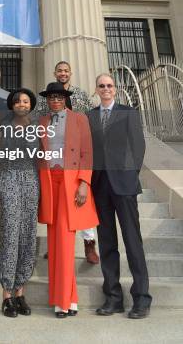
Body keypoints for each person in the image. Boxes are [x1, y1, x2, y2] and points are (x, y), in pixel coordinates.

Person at [87, 74, 152, 319]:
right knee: (107, 243)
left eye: (110, 86)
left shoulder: (128, 113)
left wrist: (129, 174)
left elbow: (138, 147)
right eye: (102, 85)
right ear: (96, 89)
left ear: (116, 89)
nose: (106, 89)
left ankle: (141, 298)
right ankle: (113, 297)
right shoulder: (90, 116)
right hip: (100, 187)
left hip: (124, 186)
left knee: (133, 242)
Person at [38, 82, 98, 318]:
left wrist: (84, 182)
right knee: (54, 241)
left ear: (65, 99)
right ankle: (66, 298)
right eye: (51, 97)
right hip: (48, 182)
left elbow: (86, 152)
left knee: (63, 240)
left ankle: (63, 301)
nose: (55, 100)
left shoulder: (79, 119)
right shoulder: (41, 122)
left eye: (59, 97)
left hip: (70, 182)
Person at [37, 61, 99, 264]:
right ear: (55, 73)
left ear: (70, 73)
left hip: (75, 158)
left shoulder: (80, 95)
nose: (63, 73)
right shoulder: (47, 98)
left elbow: (89, 119)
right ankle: (56, 244)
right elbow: (40, 120)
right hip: (54, 160)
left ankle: (89, 245)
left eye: (66, 70)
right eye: (59, 70)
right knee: (55, 212)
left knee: (80, 207)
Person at [0, 88, 39, 318]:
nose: (22, 104)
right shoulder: (3, 126)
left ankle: (20, 291)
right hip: (8, 179)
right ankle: (7, 294)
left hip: (31, 181)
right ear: (12, 104)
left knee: (27, 235)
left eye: (26, 101)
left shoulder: (36, 126)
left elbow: (35, 152)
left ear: (30, 105)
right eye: (18, 101)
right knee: (11, 233)